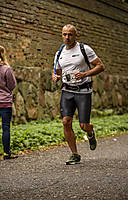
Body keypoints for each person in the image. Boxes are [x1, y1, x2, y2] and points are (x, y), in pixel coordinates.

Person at [52, 24, 105, 165]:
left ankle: (90, 131)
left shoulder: (84, 49)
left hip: (83, 91)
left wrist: (85, 74)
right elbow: (58, 71)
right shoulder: (59, 53)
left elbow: (101, 66)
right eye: (64, 34)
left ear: (75, 35)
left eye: (70, 34)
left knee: (83, 125)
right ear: (61, 35)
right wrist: (56, 76)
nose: (67, 37)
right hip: (67, 91)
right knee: (66, 121)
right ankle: (75, 154)